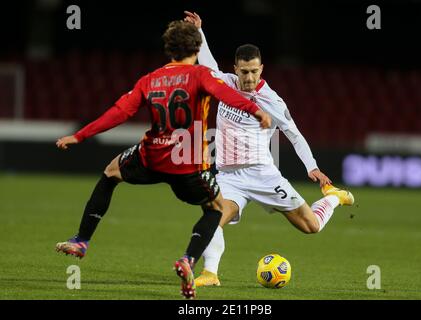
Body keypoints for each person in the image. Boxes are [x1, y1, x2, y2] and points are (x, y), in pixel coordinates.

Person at [54, 20, 271, 299]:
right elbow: (225, 94)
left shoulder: (150, 79)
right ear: (196, 48)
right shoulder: (201, 75)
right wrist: (255, 111)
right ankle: (188, 260)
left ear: (169, 49)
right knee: (217, 209)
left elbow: (120, 112)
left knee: (111, 172)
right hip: (188, 164)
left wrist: (80, 136)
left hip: (151, 157)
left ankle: (82, 240)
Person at [184, 11, 354, 287]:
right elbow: (207, 61)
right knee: (212, 218)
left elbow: (295, 134)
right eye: (243, 71)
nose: (249, 77)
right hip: (229, 177)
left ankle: (334, 198)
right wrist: (199, 32)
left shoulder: (271, 100)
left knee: (311, 227)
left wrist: (312, 167)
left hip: (263, 174)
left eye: (254, 71)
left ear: (261, 69)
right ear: (236, 69)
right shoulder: (224, 84)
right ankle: (210, 273)